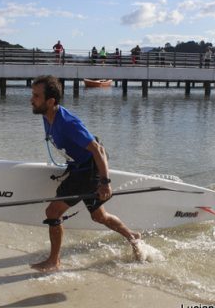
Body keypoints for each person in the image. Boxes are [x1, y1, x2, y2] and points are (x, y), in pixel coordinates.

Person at [30, 75, 142, 272]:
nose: (32, 99)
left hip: (88, 171)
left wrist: (105, 182)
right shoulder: (47, 117)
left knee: (52, 212)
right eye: (33, 94)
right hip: (80, 167)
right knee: (99, 216)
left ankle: (54, 261)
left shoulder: (67, 122)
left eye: (36, 96)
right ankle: (132, 236)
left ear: (51, 101)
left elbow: (97, 149)